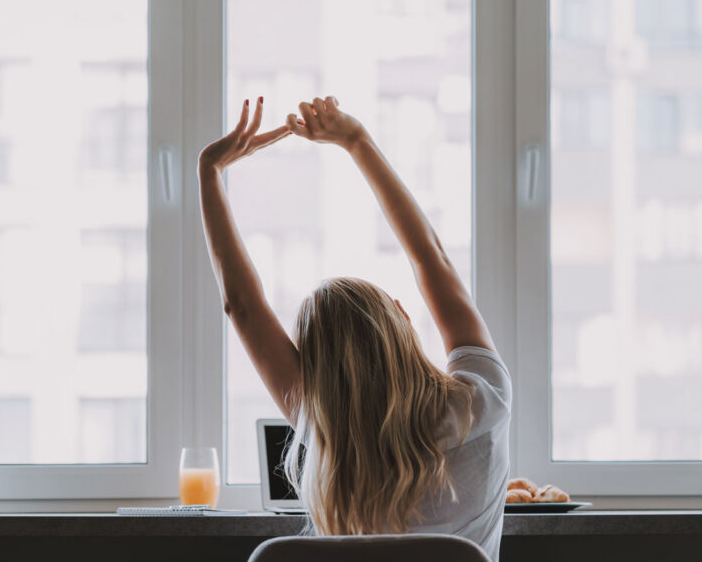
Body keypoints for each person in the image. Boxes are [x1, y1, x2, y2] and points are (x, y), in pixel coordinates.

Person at [198, 96, 512, 561]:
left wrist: (210, 171)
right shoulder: (481, 402)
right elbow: (432, 259)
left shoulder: (321, 425)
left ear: (313, 368)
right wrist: (356, 140)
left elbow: (241, 306)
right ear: (404, 320)